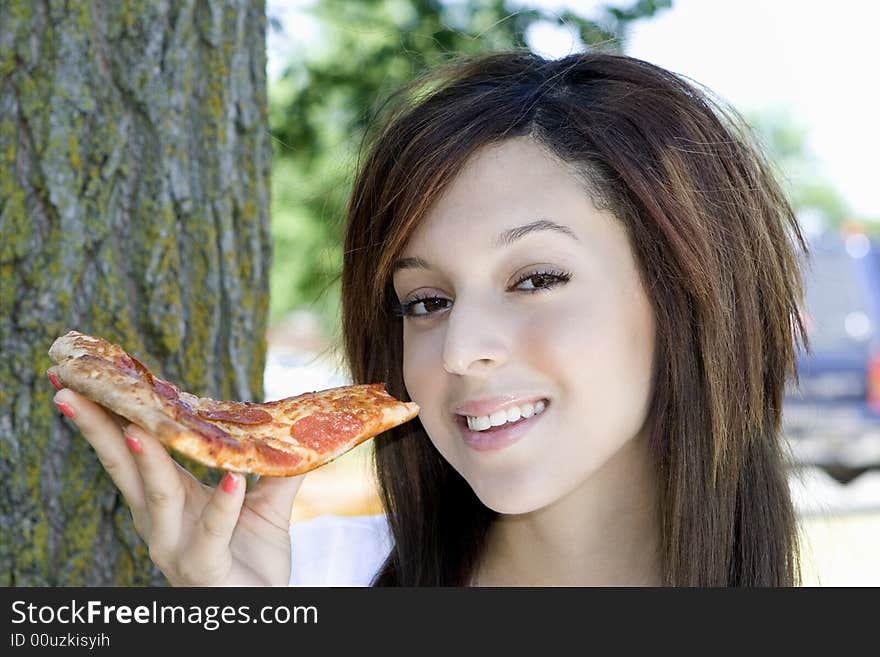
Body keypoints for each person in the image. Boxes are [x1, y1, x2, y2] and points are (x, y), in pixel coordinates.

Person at [51, 48, 810, 587]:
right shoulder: (305, 582)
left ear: (688, 293)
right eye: (427, 301)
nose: (458, 350)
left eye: (536, 277)